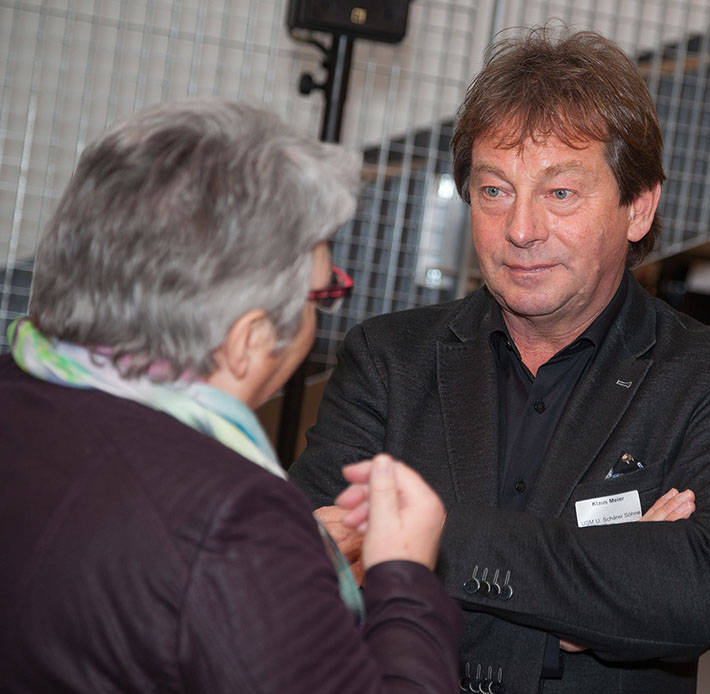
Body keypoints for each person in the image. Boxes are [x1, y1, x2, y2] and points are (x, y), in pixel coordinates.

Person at [289, 26, 710, 693]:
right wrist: (588, 606)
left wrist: (418, 541)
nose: (520, 230)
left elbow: (696, 594)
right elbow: (301, 568)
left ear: (638, 207)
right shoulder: (387, 359)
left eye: (560, 194)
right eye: (495, 191)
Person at [0, 100, 462, 692]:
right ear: (248, 340)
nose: (324, 311)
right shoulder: (231, 517)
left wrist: (293, 568)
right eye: (325, 294)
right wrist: (405, 578)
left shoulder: (17, 386)